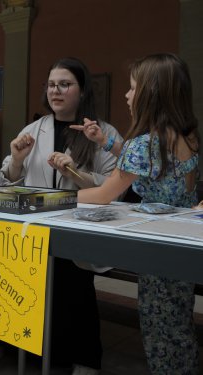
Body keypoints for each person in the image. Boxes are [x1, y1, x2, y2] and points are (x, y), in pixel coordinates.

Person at [0, 57, 123, 375]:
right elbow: (8, 180)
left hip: (79, 228)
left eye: (65, 84)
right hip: (33, 226)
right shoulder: (33, 129)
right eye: (51, 84)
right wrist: (15, 159)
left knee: (74, 281)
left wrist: (75, 171)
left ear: (82, 91)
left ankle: (85, 358)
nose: (56, 91)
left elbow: (114, 189)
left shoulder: (102, 132)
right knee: (0, 269)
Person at [71, 53, 200, 375]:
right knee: (179, 328)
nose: (127, 96)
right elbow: (149, 168)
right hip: (181, 250)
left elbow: (103, 195)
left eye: (132, 88)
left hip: (156, 253)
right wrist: (107, 141)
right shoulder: (186, 137)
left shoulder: (144, 145)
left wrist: (53, 197)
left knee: (159, 332)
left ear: (151, 93)